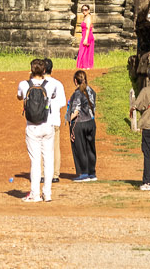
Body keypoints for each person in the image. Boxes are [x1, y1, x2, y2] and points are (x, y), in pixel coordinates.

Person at [18, 57, 58, 202]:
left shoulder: (24, 84)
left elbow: (19, 96)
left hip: (32, 126)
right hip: (47, 125)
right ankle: (47, 193)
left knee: (35, 161)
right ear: (45, 70)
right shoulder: (51, 84)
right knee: (48, 159)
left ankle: (35, 193)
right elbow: (52, 96)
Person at [67, 68, 99, 181]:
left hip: (79, 124)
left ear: (76, 81)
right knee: (90, 147)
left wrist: (68, 118)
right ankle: (92, 173)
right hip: (91, 122)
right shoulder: (91, 91)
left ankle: (83, 173)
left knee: (79, 148)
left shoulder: (77, 94)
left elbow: (75, 111)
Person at [74, 4, 96, 72]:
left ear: (89, 10)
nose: (84, 11)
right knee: (84, 51)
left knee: (85, 51)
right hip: (85, 36)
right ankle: (85, 66)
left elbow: (88, 28)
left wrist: (86, 38)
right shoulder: (85, 17)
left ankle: (87, 66)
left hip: (87, 36)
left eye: (86, 10)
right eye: (83, 10)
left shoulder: (88, 17)